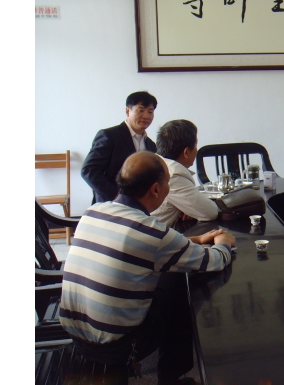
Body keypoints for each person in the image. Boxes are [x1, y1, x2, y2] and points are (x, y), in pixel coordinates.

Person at [60, 151, 236, 384]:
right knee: (177, 282)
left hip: (75, 335)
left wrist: (192, 240)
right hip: (117, 346)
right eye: (168, 183)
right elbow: (211, 261)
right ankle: (171, 377)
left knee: (167, 271)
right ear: (155, 189)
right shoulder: (151, 232)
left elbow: (141, 248)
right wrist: (224, 244)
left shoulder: (93, 212)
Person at [81, 91, 159, 204]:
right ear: (128, 111)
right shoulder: (109, 136)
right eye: (141, 110)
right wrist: (116, 196)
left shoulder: (151, 145)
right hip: (111, 204)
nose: (146, 116)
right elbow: (89, 170)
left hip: (140, 206)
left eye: (150, 112)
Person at [152, 119, 218, 227]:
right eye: (196, 144)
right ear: (186, 152)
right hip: (150, 236)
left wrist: (188, 209)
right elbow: (210, 212)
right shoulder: (173, 174)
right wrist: (196, 210)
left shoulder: (154, 162)